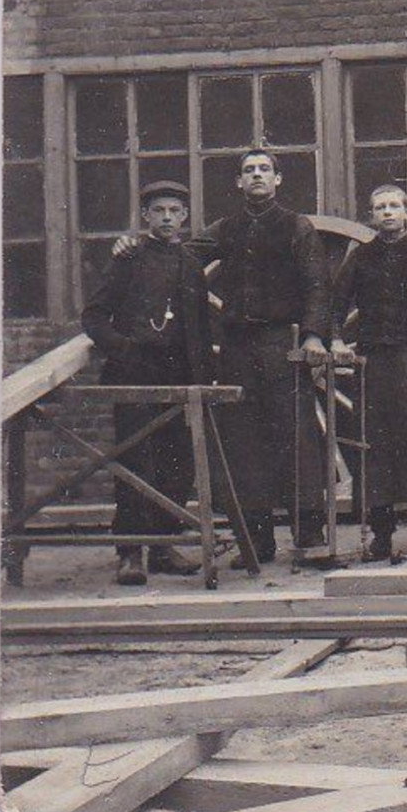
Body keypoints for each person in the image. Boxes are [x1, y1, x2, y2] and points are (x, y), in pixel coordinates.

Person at [113, 149, 333, 565]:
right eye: (248, 171)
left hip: (281, 345)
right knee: (243, 443)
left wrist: (315, 335)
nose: (256, 176)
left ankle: (309, 533)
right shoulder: (225, 229)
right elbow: (173, 254)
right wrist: (132, 246)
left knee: (296, 435)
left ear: (278, 179)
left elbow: (317, 284)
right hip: (235, 348)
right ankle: (257, 540)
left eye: (264, 170)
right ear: (238, 182)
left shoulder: (296, 227)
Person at [83, 181, 213, 585]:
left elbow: (200, 327)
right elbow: (94, 316)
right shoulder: (128, 259)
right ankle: (130, 552)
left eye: (175, 211)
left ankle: (162, 546)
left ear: (185, 217)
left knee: (177, 463)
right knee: (135, 462)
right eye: (159, 211)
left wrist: (202, 374)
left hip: (178, 373)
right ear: (145, 217)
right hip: (135, 372)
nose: (167, 218)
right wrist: (124, 351)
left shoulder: (191, 265)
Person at [330, 184, 407, 561]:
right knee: (374, 447)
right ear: (371, 216)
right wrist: (333, 338)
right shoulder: (360, 258)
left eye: (394, 206)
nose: (388, 213)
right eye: (380, 207)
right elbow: (336, 302)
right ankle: (381, 535)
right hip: (373, 363)